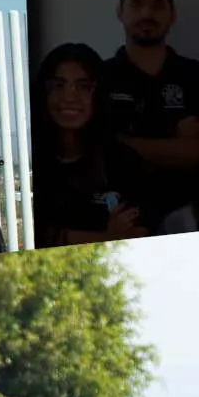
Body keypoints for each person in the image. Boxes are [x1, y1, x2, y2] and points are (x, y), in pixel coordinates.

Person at [99, 0, 199, 231]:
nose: (146, 13)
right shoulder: (99, 77)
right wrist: (175, 141)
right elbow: (97, 152)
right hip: (120, 220)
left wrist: (122, 141)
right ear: (120, 11)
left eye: (157, 5)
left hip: (194, 217)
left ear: (172, 14)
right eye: (136, 4)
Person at [30, 42, 149, 247]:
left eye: (83, 86)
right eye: (58, 85)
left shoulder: (123, 161)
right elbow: (35, 235)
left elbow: (138, 234)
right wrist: (105, 237)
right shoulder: (29, 163)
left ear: (99, 94)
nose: (69, 97)